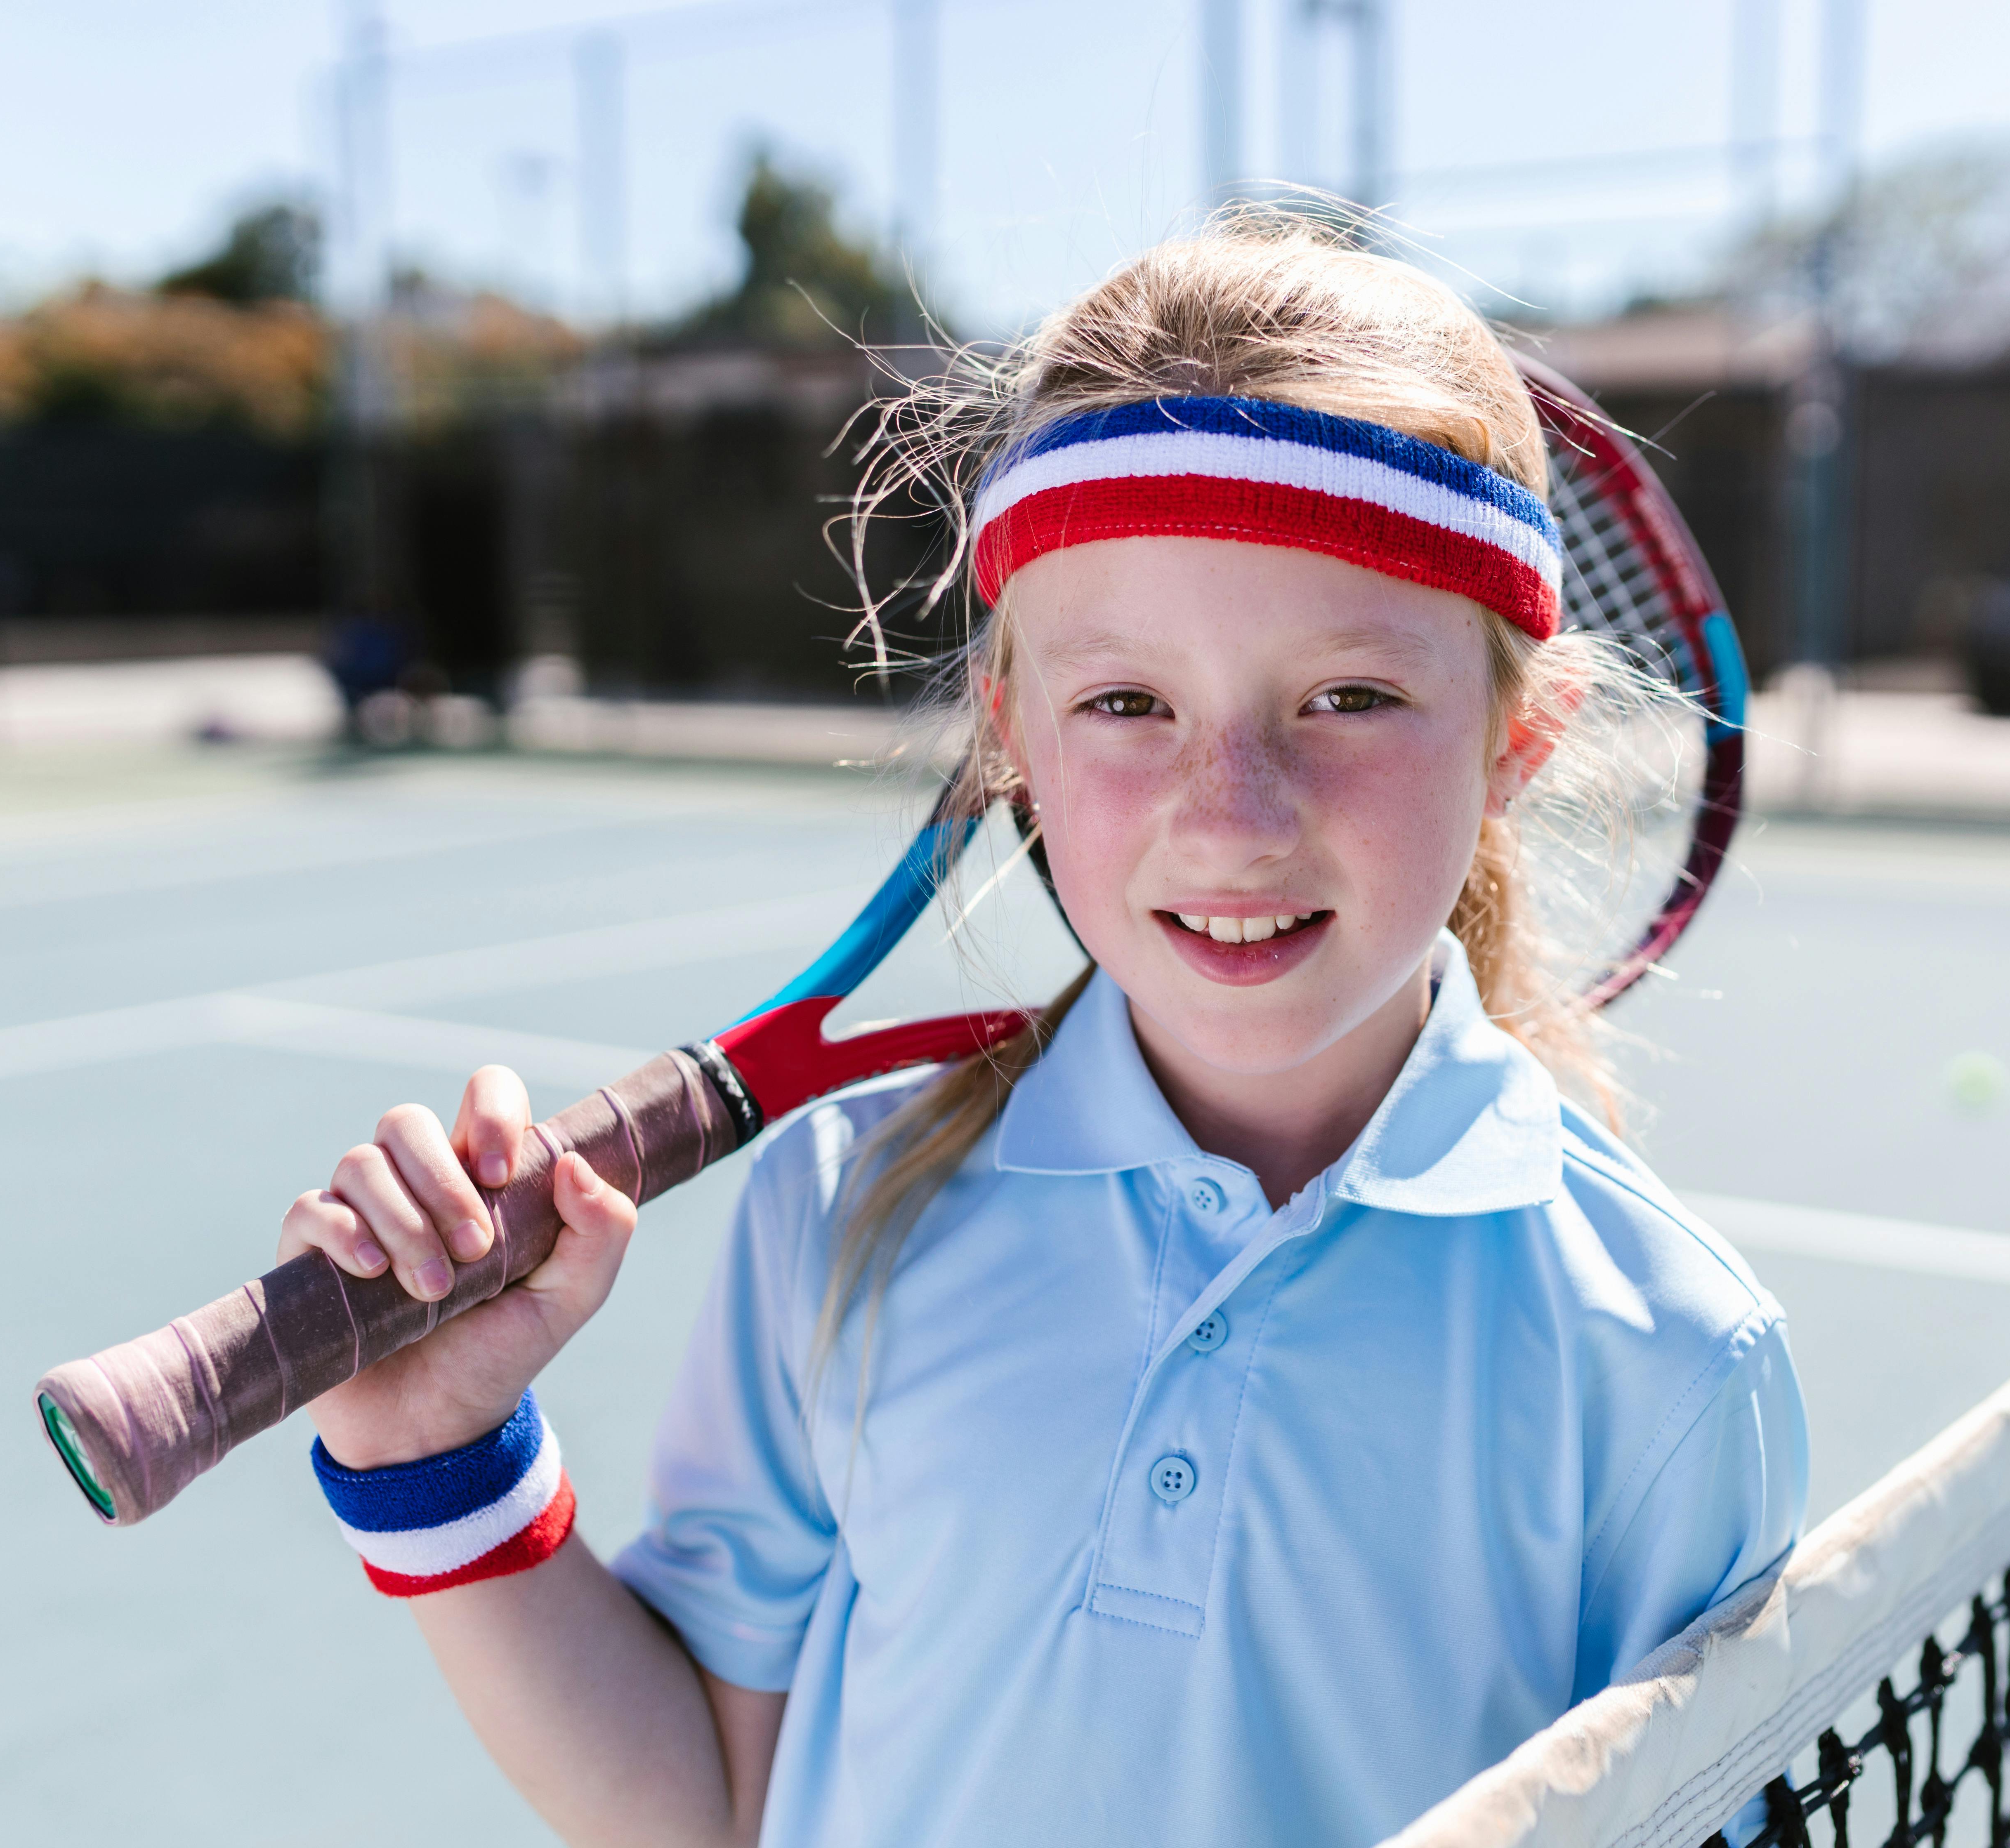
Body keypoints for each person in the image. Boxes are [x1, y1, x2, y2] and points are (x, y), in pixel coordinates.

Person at [279, 214, 1809, 1848]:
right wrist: (439, 1455)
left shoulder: (1667, 1358)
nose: (1232, 821)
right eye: (1128, 705)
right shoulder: (850, 1205)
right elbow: (715, 1805)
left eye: (1348, 698)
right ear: (1012, 730)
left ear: (1524, 733)